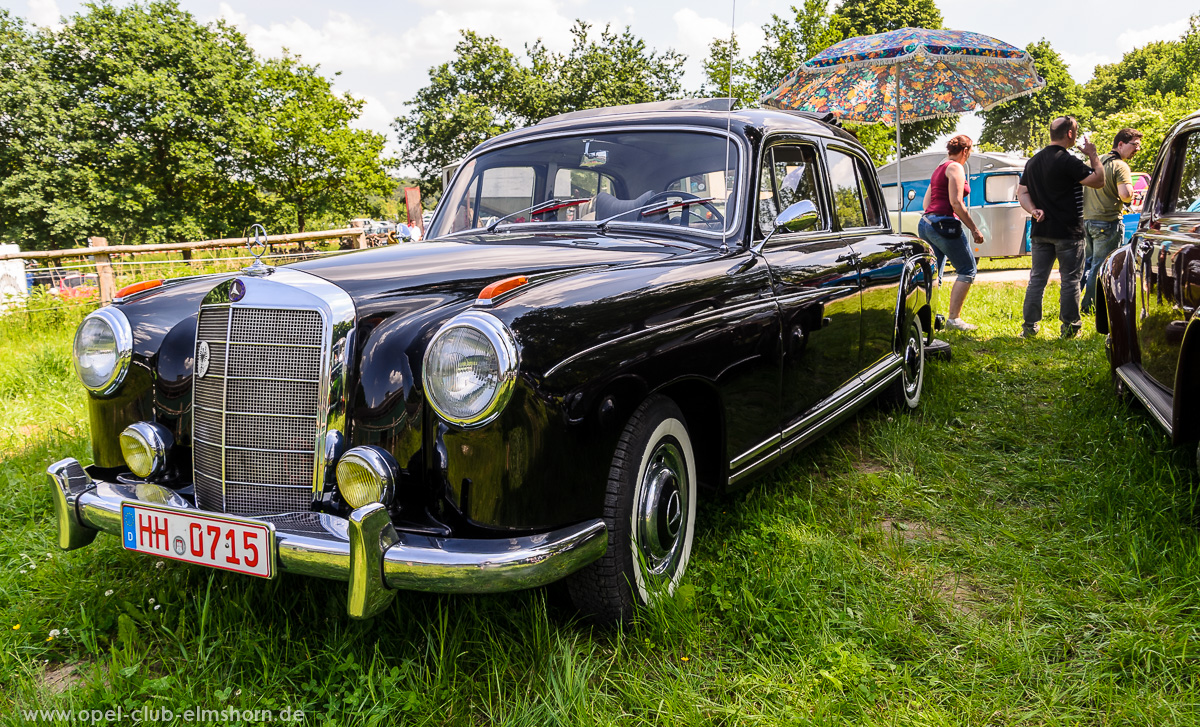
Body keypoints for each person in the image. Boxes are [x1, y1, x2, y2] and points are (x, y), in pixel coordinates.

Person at [1017, 116, 1106, 338]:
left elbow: (1022, 192)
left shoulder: (1033, 162)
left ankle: (1029, 327)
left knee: (1037, 279)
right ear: (1070, 134)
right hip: (1068, 232)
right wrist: (1093, 154)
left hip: (1040, 231)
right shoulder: (1069, 162)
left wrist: (1033, 210)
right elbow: (1098, 180)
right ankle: (1070, 327)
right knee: (1070, 280)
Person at [917, 134, 984, 331]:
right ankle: (954, 319)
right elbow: (956, 203)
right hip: (943, 224)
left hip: (927, 222)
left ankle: (927, 319)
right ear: (965, 151)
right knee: (967, 269)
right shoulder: (956, 167)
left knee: (933, 273)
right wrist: (974, 229)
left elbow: (926, 204)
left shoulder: (940, 168)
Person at [1080, 127, 1143, 313]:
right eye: (1135, 145)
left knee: (1086, 265)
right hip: (1107, 223)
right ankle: (1089, 306)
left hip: (1087, 221)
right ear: (1121, 144)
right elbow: (1125, 195)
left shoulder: (1095, 162)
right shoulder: (1120, 166)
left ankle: (1069, 303)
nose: (1137, 150)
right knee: (1101, 266)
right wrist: (1132, 195)